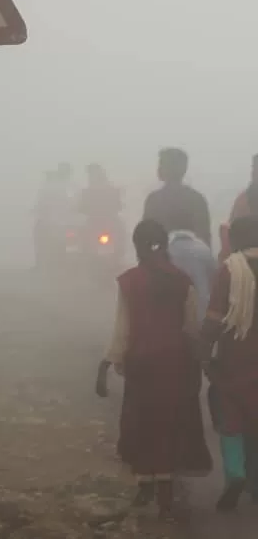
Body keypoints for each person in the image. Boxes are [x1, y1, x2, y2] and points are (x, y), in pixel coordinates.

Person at [96, 218, 210, 518]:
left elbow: (123, 326)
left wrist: (110, 360)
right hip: (175, 362)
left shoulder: (129, 281)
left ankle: (145, 484)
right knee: (170, 421)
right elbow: (190, 326)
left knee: (142, 421)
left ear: (137, 246)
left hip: (141, 362)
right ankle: (166, 491)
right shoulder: (183, 279)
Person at [201, 214, 258, 512]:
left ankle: (236, 473)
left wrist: (203, 352)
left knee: (231, 418)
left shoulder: (229, 270)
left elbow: (213, 319)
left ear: (234, 240)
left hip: (234, 358)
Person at [143, 148, 212, 248]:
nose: (158, 169)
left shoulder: (153, 200)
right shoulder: (197, 199)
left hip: (160, 260)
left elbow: (145, 238)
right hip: (191, 260)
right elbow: (205, 240)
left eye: (162, 164)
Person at [167, 227, 218, 322]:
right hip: (201, 308)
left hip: (175, 312)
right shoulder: (203, 248)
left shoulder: (167, 250)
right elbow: (213, 279)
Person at [218, 154, 258, 262]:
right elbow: (231, 230)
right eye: (253, 168)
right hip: (243, 261)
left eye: (255, 168)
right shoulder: (243, 199)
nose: (253, 172)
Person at [34, 163, 74, 269]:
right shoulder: (66, 185)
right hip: (56, 220)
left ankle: (41, 264)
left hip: (61, 221)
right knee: (41, 236)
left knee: (41, 235)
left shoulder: (65, 186)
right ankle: (41, 263)